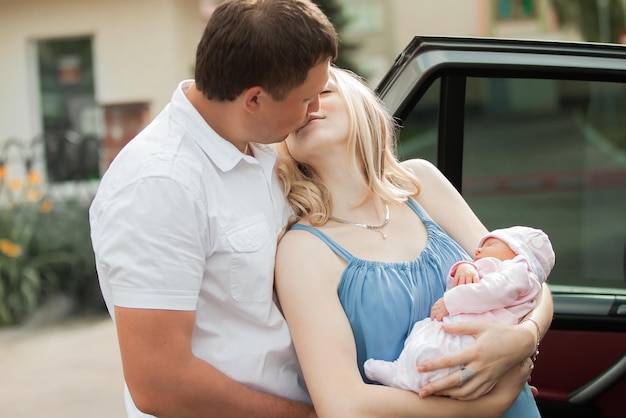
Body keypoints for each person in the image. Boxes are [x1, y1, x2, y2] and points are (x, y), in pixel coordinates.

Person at [88, 1, 338, 417]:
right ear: (254, 99)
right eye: (307, 99)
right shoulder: (159, 186)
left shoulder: (262, 145)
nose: (315, 110)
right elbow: (160, 383)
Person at [274, 66, 553, 418]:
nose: (309, 106)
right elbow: (343, 406)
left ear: (361, 104)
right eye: (296, 102)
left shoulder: (421, 182)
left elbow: (528, 271)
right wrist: (485, 407)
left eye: (324, 92)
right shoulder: (301, 250)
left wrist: (525, 336)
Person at [364, 226, 555, 393]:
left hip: (473, 339)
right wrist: (464, 267)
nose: (479, 249)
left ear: (519, 254)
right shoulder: (499, 270)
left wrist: (450, 302)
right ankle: (404, 369)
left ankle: (405, 379)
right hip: (466, 334)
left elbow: (490, 292)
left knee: (443, 355)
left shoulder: (517, 271)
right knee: (424, 331)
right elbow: (464, 286)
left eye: (490, 245)